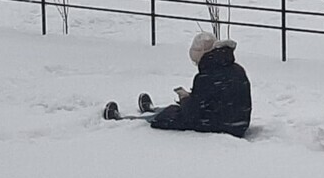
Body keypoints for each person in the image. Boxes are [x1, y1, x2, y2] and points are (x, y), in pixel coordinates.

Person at [103, 32, 252, 138]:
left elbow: (193, 112)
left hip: (221, 126)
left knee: (170, 116)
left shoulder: (206, 76)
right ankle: (153, 110)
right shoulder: (235, 68)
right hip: (237, 123)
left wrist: (185, 99)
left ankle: (127, 119)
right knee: (177, 110)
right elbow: (214, 100)